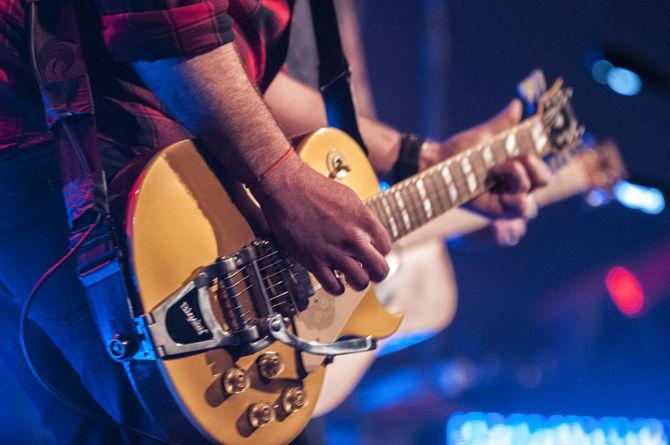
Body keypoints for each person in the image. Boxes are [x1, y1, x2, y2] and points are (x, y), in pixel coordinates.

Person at [0, 0, 550, 443]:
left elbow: (233, 75)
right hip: (79, 159)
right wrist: (281, 176)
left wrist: (426, 159)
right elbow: (166, 26)